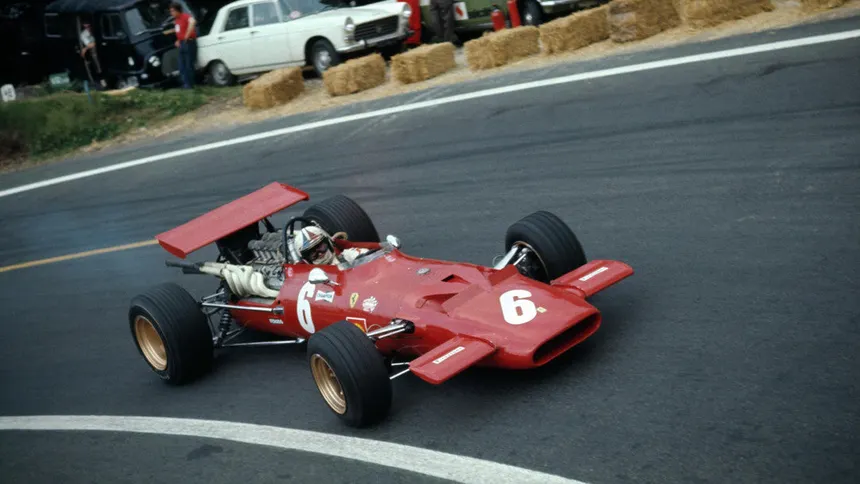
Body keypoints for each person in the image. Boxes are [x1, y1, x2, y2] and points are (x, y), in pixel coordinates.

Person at [293, 226, 368, 270]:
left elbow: (364, 256)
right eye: (312, 253)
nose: (320, 254)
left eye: (321, 247)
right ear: (306, 258)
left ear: (328, 243)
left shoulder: (346, 255)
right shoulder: (306, 276)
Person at [169, 2, 197, 89]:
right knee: (182, 66)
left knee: (189, 65)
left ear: (178, 10)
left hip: (189, 42)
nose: (171, 13)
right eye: (171, 11)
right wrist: (178, 40)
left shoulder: (185, 16)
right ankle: (186, 84)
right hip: (182, 44)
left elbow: (192, 22)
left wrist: (186, 36)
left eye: (173, 11)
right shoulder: (176, 20)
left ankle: (190, 85)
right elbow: (180, 31)